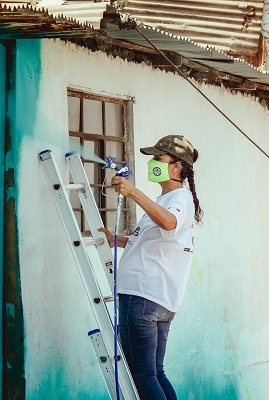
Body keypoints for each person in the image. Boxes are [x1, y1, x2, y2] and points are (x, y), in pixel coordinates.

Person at [99, 134, 203, 400]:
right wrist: (117, 240)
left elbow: (169, 224)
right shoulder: (167, 201)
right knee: (154, 372)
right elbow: (155, 241)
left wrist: (132, 192)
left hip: (143, 297)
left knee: (142, 375)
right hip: (157, 300)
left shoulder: (178, 200)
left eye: (158, 158)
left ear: (176, 166)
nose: (152, 163)